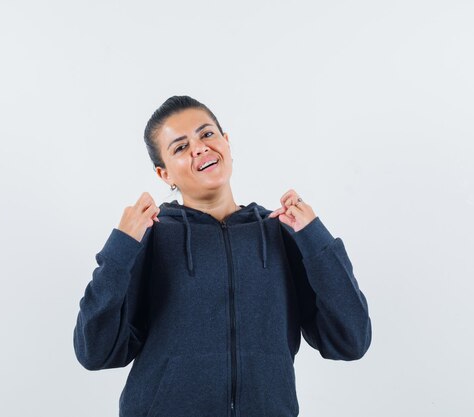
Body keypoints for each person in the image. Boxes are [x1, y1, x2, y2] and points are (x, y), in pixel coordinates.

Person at [73, 95, 372, 417]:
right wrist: (120, 247)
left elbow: (350, 340)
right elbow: (95, 352)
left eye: (207, 134)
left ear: (227, 143)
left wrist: (316, 238)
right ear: (164, 174)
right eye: (180, 147)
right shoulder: (149, 236)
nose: (199, 148)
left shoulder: (282, 232)